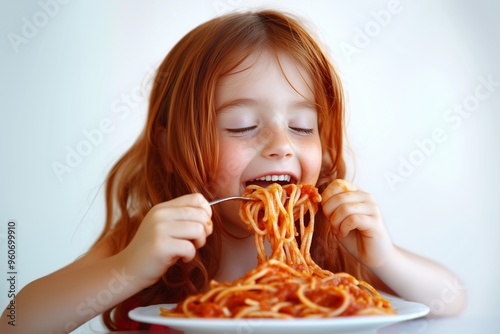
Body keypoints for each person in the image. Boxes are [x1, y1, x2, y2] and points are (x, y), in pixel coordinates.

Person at [1, 9, 466, 333]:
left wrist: (383, 257)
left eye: (303, 126)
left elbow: (452, 301)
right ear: (172, 144)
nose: (281, 146)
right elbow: (16, 323)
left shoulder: (334, 244)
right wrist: (128, 268)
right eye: (242, 126)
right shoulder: (143, 240)